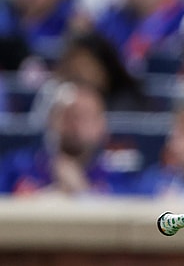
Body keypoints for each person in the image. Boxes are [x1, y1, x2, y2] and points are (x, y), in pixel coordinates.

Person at [0, 80, 134, 195]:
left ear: (102, 127)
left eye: (85, 117)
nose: (75, 124)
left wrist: (82, 190)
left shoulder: (115, 179)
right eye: (68, 115)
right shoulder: (18, 167)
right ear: (52, 121)